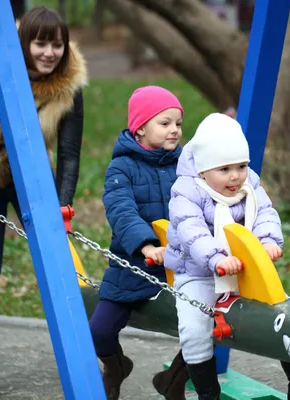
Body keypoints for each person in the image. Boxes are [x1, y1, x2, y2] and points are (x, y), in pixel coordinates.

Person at [0, 7, 87, 400]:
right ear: (24, 43)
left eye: (57, 44)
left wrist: (62, 206)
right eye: (40, 43)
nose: (49, 52)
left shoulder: (69, 88)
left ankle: (83, 362)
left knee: (59, 270)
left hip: (32, 181)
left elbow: (69, 155)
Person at [164, 113, 290, 400]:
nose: (235, 176)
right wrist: (216, 258)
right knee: (194, 328)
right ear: (204, 171)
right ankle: (208, 394)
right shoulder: (186, 191)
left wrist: (267, 240)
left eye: (241, 166)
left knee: (278, 313)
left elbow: (265, 212)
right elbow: (191, 230)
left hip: (241, 268)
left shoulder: (248, 184)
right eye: (225, 169)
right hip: (198, 272)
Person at [88, 86, 189, 400]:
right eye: (165, 123)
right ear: (140, 127)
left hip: (180, 263)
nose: (174, 129)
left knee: (207, 327)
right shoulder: (122, 168)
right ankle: (116, 366)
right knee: (99, 331)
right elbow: (121, 210)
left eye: (178, 123)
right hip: (134, 264)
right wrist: (146, 246)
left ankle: (173, 380)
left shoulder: (185, 164)